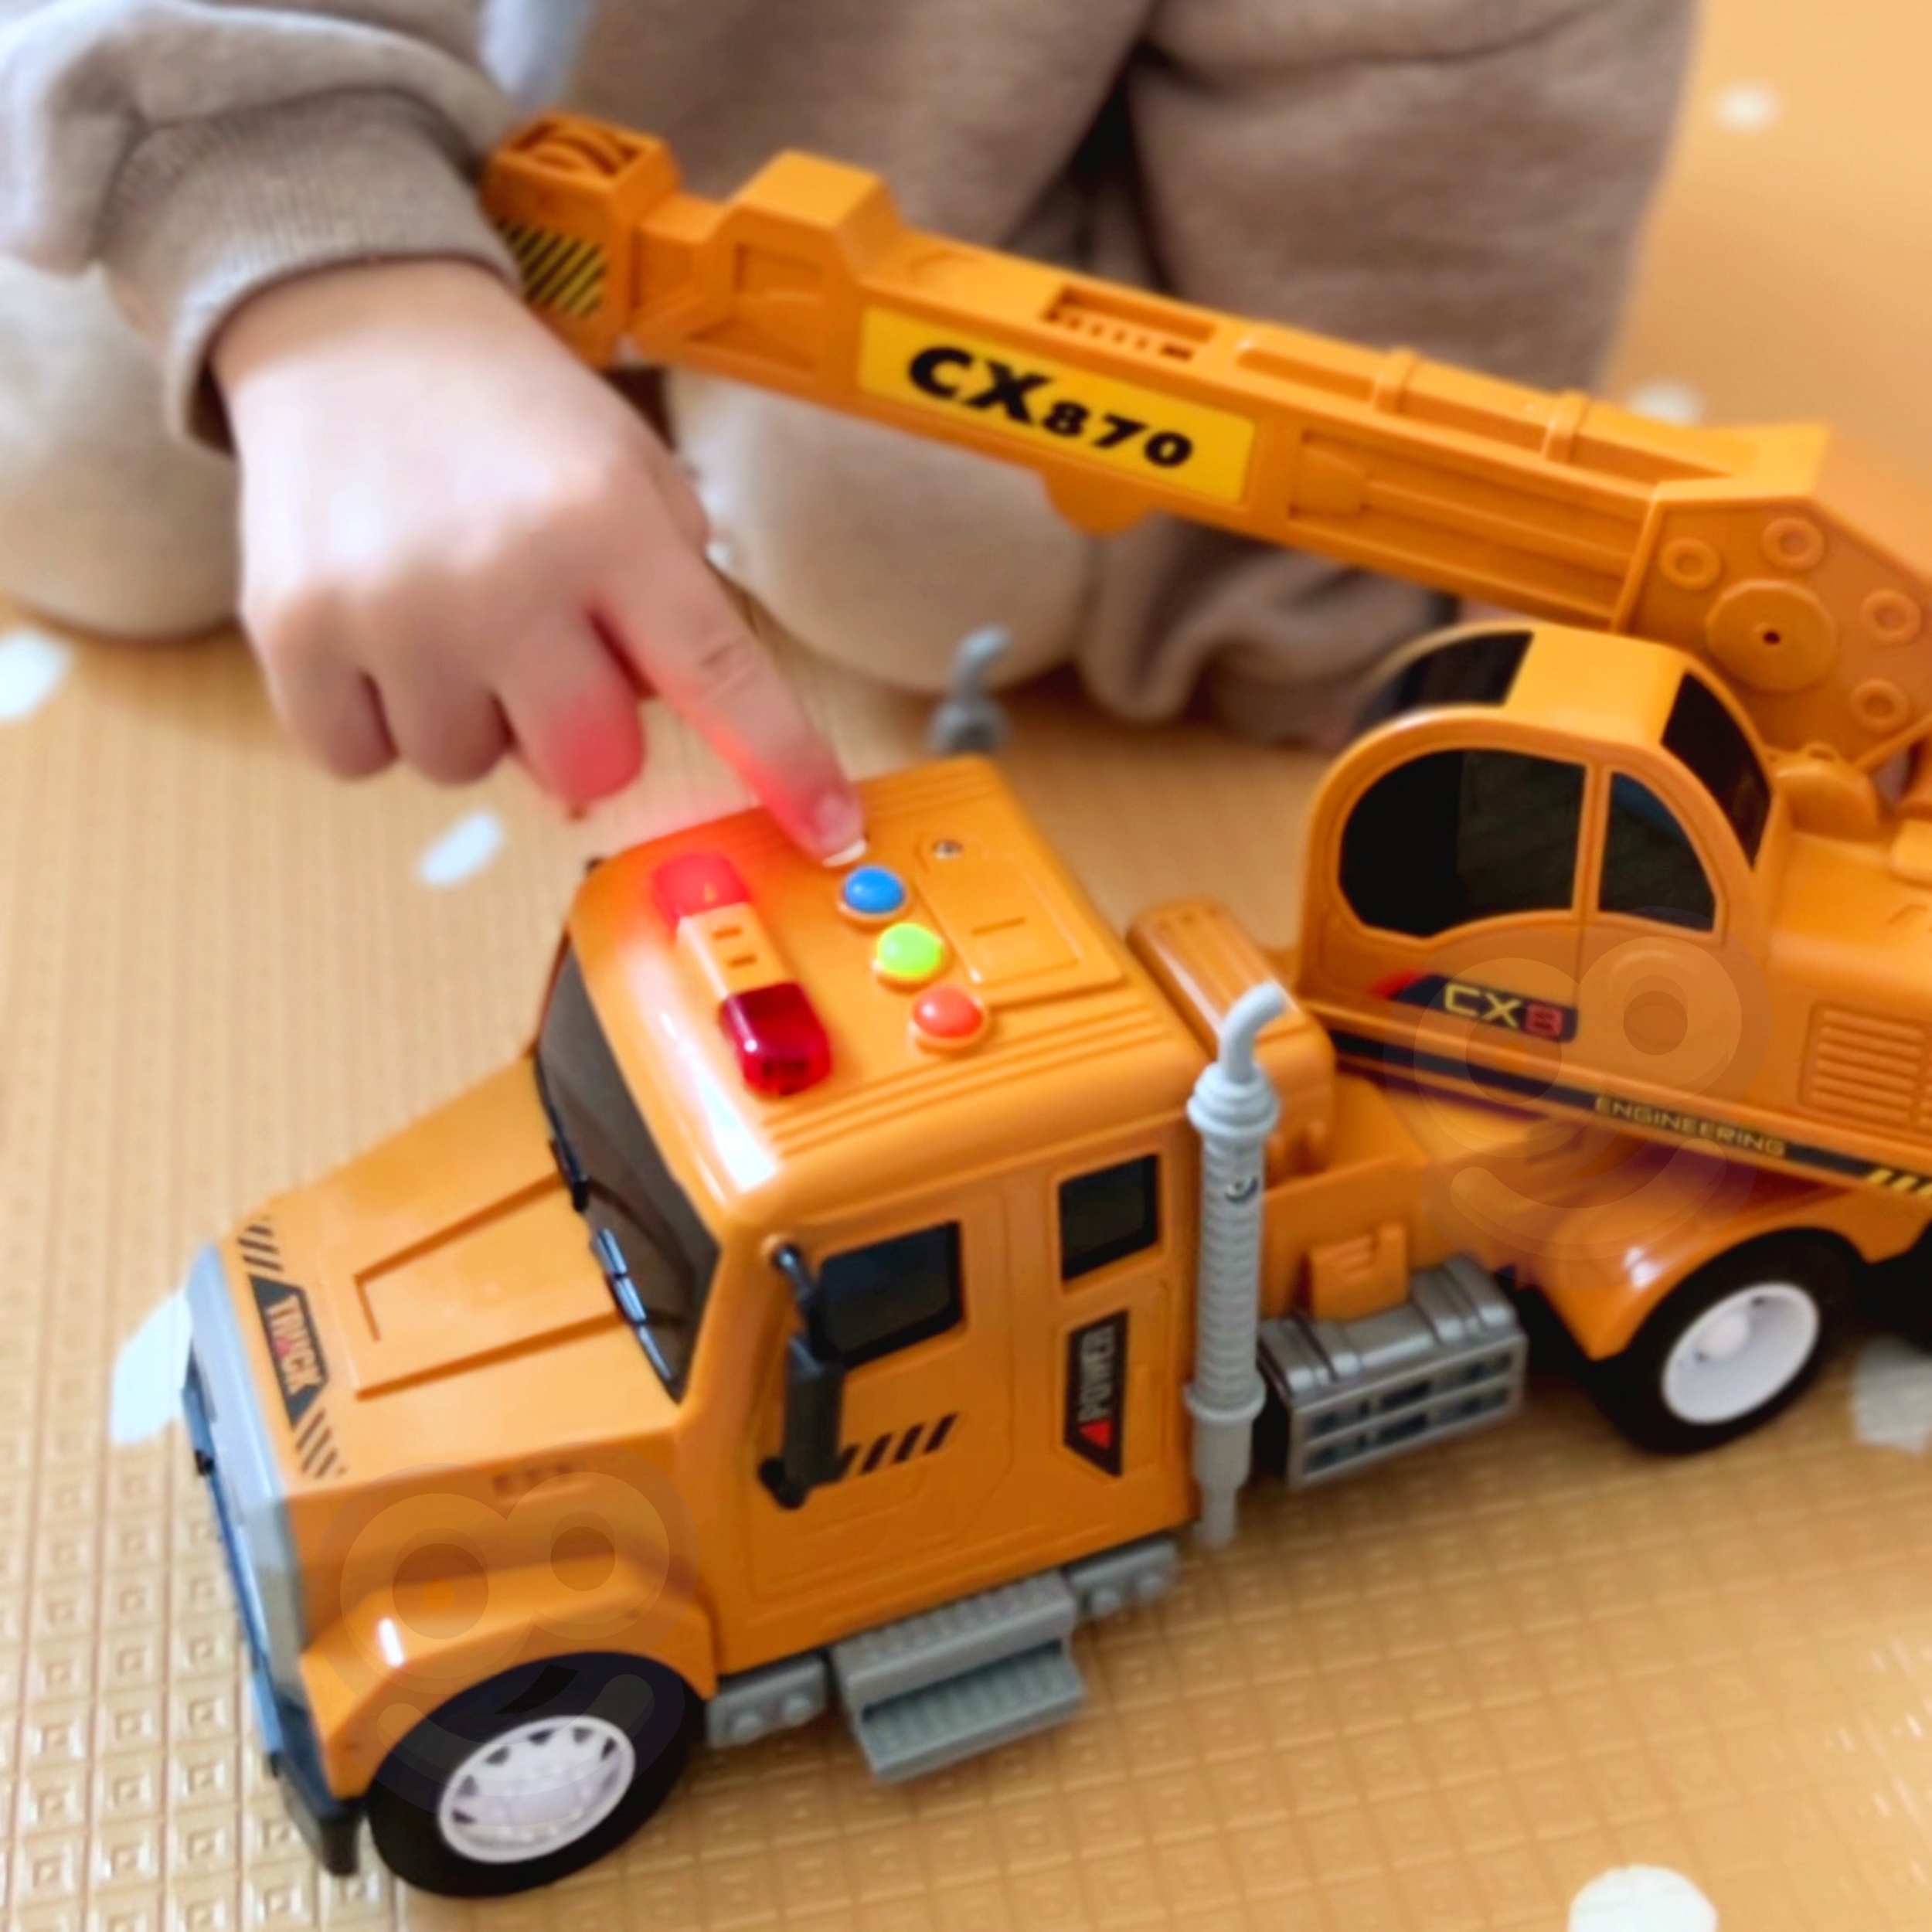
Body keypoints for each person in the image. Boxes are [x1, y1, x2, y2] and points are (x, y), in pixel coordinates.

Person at [0, 0, 1692, 858]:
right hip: (260, 69)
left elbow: (1418, 180)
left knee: (887, 522)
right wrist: (310, 262)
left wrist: (1323, 603)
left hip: (993, 157)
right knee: (100, 488)